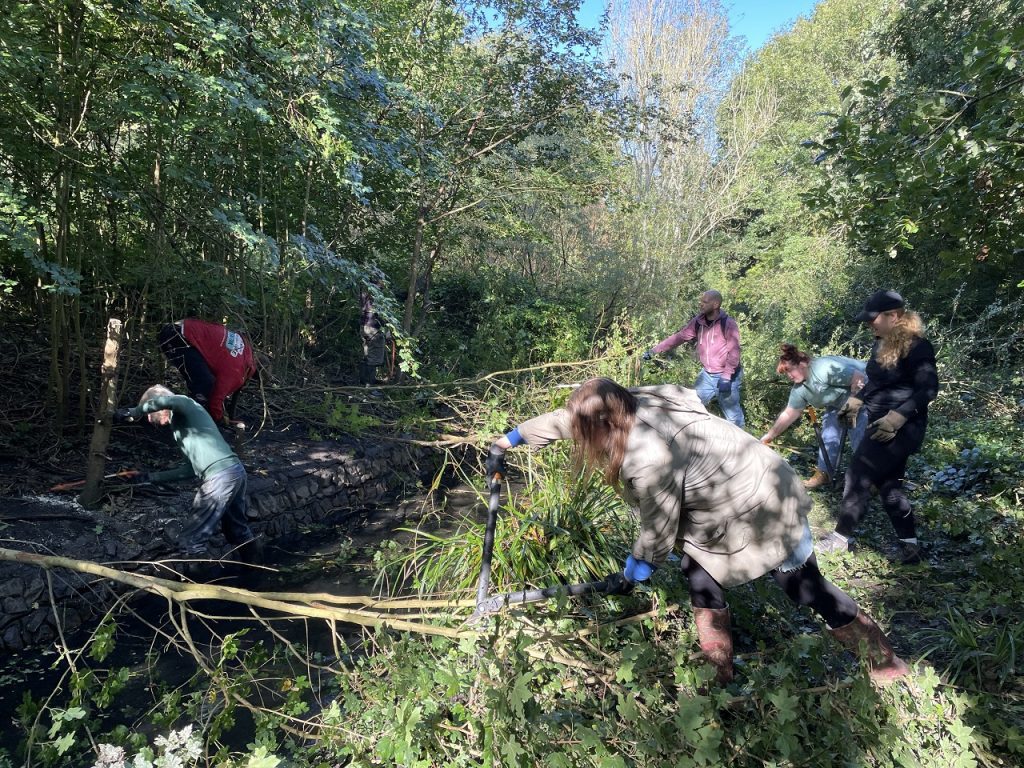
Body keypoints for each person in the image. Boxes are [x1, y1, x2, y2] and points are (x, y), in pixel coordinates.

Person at [486, 378, 911, 685]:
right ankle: (718, 673)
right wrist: (509, 440)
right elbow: (567, 420)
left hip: (762, 503)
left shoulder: (647, 456)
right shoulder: (628, 404)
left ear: (607, 426)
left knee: (804, 587)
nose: (581, 438)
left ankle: (886, 663)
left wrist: (634, 573)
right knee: (700, 578)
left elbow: (658, 526)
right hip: (726, 499)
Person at [817, 290, 938, 564]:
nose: (869, 324)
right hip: (879, 421)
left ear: (893, 316)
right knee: (889, 487)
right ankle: (911, 546)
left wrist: (899, 417)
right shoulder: (881, 343)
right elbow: (875, 382)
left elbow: (929, 389)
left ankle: (840, 540)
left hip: (902, 427)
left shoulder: (919, 347)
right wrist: (856, 400)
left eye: (874, 319)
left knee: (858, 473)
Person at [114, 385, 257, 559]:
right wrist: (149, 477)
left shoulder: (186, 404)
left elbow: (173, 400)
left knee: (191, 541)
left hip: (221, 476)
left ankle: (201, 586)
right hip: (234, 472)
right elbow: (189, 470)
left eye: (149, 413)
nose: (149, 420)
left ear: (158, 404)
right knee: (238, 531)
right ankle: (259, 577)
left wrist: (133, 412)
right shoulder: (181, 427)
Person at [760, 344, 868, 489]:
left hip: (866, 393)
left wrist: (852, 405)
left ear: (802, 364)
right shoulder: (800, 389)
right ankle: (825, 473)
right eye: (786, 373)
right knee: (829, 434)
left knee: (859, 438)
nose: (789, 376)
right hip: (838, 403)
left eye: (790, 370)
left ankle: (871, 478)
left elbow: (859, 378)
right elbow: (789, 413)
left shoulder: (823, 369)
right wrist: (769, 436)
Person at [642, 290, 744, 426]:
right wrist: (654, 350)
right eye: (700, 301)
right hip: (707, 375)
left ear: (716, 304)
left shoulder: (728, 324)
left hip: (727, 376)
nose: (701, 304)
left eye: (705, 302)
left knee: (733, 418)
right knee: (691, 406)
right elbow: (679, 337)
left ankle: (742, 445)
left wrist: (727, 376)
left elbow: (734, 352)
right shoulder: (698, 322)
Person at [157, 319, 257, 426]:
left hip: (181, 328)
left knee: (204, 382)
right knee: (204, 384)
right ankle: (191, 426)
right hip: (178, 336)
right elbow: (216, 399)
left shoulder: (244, 345)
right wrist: (218, 418)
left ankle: (185, 419)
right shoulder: (238, 373)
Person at [359, 288, 386, 386]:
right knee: (373, 359)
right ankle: (369, 387)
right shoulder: (374, 293)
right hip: (373, 329)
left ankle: (363, 383)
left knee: (366, 356)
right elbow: (379, 313)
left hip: (364, 327)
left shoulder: (365, 290)